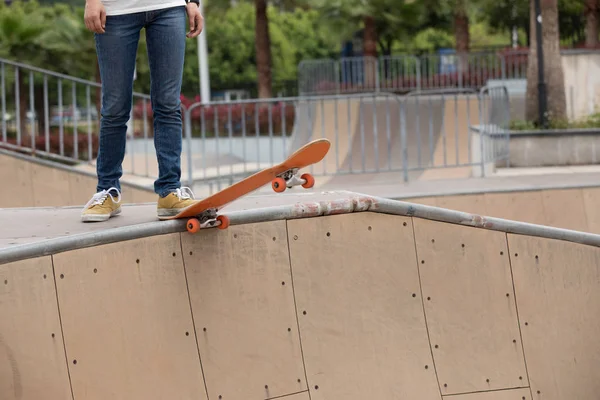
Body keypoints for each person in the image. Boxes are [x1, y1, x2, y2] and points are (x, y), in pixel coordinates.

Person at [80, 0, 204, 222]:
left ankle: (169, 190)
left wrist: (193, 2)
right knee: (115, 107)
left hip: (169, 7)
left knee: (168, 104)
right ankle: (108, 190)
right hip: (116, 10)